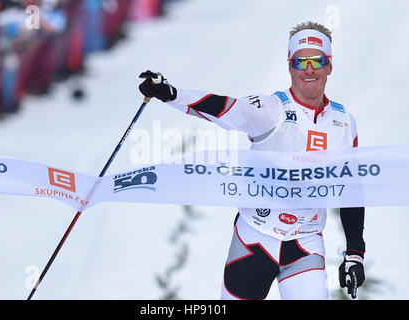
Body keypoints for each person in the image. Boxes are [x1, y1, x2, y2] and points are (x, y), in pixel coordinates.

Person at [138, 21, 365, 300]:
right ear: (290, 66)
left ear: (329, 66)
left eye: (317, 61)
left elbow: (352, 189)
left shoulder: (344, 124)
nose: (309, 69)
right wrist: (172, 95)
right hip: (256, 238)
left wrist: (355, 252)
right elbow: (224, 108)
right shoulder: (272, 109)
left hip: (306, 243)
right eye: (300, 61)